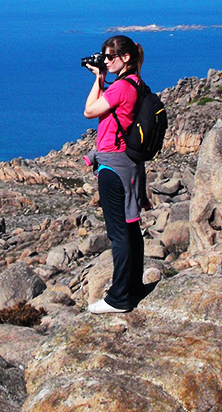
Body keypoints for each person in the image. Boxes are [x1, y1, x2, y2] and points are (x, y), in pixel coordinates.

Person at [82, 34, 149, 314]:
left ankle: (118, 298)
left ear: (126, 58)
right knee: (131, 228)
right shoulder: (138, 84)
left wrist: (97, 80)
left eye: (110, 56)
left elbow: (88, 111)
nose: (106, 61)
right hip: (129, 165)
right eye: (104, 56)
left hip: (113, 165)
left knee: (118, 233)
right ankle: (134, 286)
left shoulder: (121, 87)